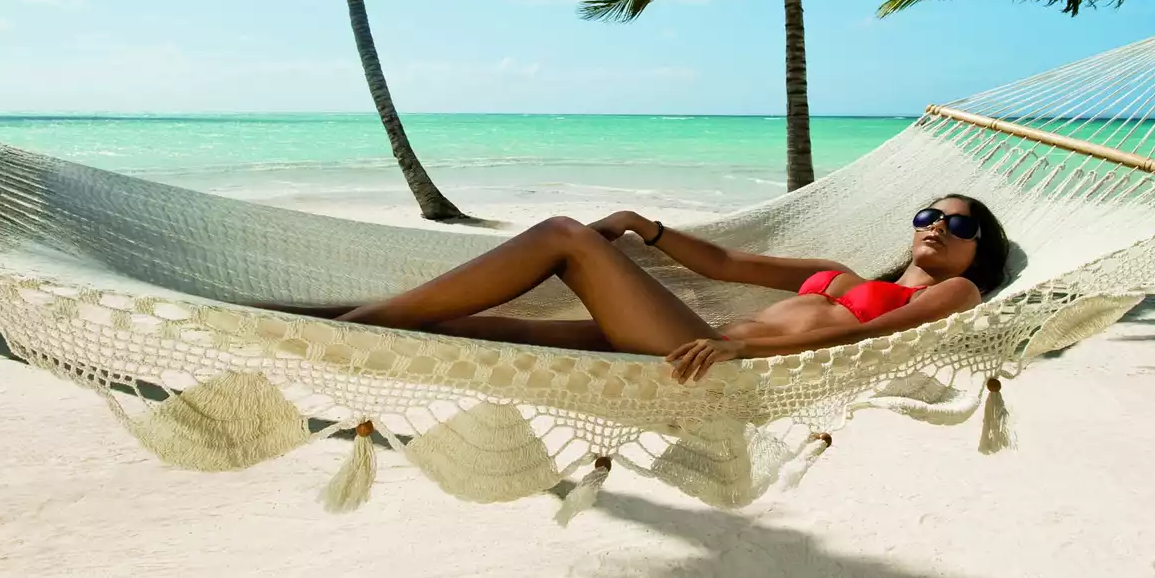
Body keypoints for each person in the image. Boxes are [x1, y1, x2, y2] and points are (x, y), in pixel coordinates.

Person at [265, 195, 1009, 384]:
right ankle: (286, 317)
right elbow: (723, 262)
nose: (937, 227)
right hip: (691, 343)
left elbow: (869, 337)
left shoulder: (953, 296)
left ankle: (345, 324)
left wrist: (736, 352)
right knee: (474, 329)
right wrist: (643, 227)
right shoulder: (842, 272)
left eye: (958, 225)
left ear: (981, 251)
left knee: (563, 235)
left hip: (717, 362)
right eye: (928, 215)